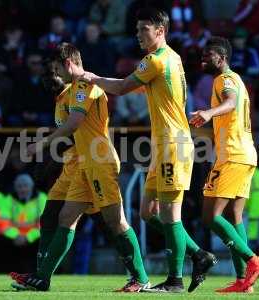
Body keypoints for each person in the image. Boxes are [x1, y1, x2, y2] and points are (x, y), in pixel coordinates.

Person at [80, 8, 216, 293]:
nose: (138, 34)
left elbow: (121, 88)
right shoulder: (174, 57)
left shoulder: (154, 60)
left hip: (173, 143)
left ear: (160, 31)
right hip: (164, 144)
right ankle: (199, 255)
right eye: (138, 29)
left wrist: (90, 77)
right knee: (147, 212)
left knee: (170, 214)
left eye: (144, 29)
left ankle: (175, 280)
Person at [11, 43, 150, 292]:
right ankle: (42, 278)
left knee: (115, 221)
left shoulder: (84, 86)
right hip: (85, 162)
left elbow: (74, 124)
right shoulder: (73, 89)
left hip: (100, 161)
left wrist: (40, 146)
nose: (57, 75)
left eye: (57, 69)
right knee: (65, 217)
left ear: (67, 64)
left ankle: (140, 277)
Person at [189, 36, 259, 293]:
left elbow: (231, 102)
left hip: (232, 154)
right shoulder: (236, 79)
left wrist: (209, 113)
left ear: (221, 58)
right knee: (234, 217)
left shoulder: (224, 80)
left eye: (208, 54)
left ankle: (252, 261)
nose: (203, 56)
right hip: (246, 154)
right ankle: (244, 281)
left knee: (210, 215)